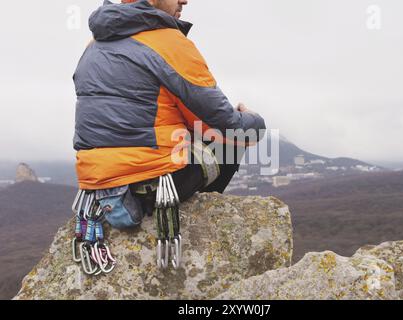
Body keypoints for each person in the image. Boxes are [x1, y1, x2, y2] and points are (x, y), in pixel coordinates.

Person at [73, 0, 266, 212]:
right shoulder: (169, 42)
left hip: (97, 184)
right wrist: (253, 120)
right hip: (155, 184)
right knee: (231, 140)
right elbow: (228, 124)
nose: (184, 1)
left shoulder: (93, 45)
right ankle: (199, 215)